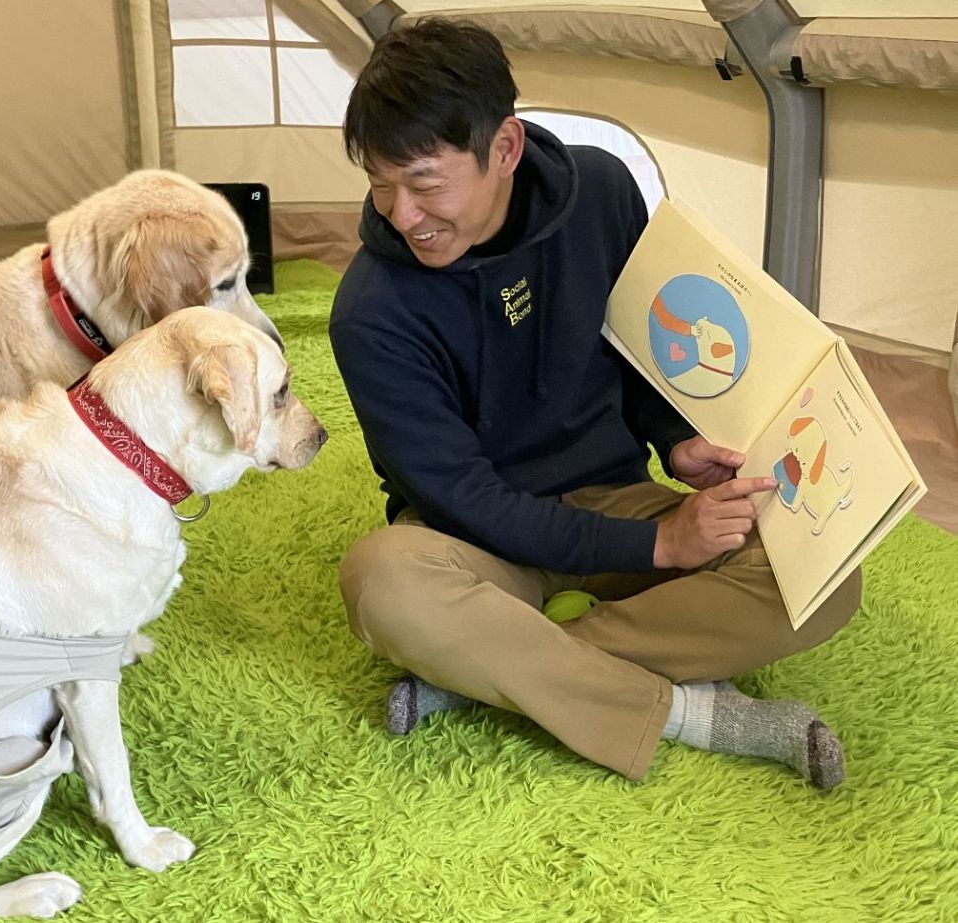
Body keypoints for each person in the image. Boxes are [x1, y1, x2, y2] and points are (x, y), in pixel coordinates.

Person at [328, 17, 860, 789]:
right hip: (472, 537)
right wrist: (661, 549)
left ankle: (492, 667)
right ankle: (694, 712)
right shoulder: (371, 312)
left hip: (612, 494)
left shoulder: (603, 191)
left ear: (504, 148)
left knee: (826, 576)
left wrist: (674, 440)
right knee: (383, 580)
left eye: (425, 184)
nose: (401, 214)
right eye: (381, 184)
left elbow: (639, 349)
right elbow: (468, 498)